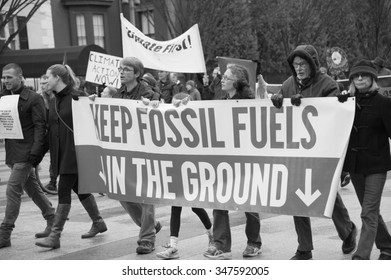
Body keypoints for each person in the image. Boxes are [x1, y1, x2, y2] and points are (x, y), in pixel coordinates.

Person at [270, 44, 357, 260]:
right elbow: (278, 105)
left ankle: (347, 231)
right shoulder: (289, 84)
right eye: (295, 64)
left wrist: (308, 105)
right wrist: (278, 100)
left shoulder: (328, 84)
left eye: (303, 64)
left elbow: (335, 114)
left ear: (312, 64)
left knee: (327, 195)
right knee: (295, 197)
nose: (298, 68)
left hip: (322, 151)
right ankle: (304, 248)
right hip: (296, 152)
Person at [35, 64, 107, 250]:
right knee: (79, 189)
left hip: (75, 153)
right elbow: (51, 131)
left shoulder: (78, 96)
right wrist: (38, 155)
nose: (45, 81)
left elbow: (94, 120)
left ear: (57, 78)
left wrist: (93, 103)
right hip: (61, 154)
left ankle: (55, 235)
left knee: (64, 190)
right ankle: (98, 222)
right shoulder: (53, 100)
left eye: (48, 77)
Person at [203, 64, 262, 260]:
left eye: (226, 78)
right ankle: (222, 245)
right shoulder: (220, 101)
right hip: (223, 159)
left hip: (247, 159)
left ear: (237, 82)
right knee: (219, 200)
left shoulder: (251, 102)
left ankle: (254, 242)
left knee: (249, 202)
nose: (222, 80)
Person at [0, 63, 55, 248]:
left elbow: (41, 127)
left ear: (20, 77)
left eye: (9, 77)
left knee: (12, 189)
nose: (5, 80)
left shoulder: (34, 98)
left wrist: (35, 153)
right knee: (32, 189)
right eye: (3, 77)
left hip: (27, 153)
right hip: (12, 153)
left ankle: (5, 232)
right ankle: (52, 219)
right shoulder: (4, 98)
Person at [343, 59, 391, 260]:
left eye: (364, 75)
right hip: (355, 167)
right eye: (356, 75)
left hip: (376, 166)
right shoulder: (345, 103)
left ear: (373, 78)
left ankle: (361, 256)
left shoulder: (384, 103)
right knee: (369, 210)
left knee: (368, 212)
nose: (360, 78)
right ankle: (387, 246)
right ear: (352, 79)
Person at [113, 57, 162, 254]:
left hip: (147, 151)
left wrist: (151, 106)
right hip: (126, 151)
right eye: (120, 69)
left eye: (126, 69)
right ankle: (149, 224)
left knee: (146, 195)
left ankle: (147, 239)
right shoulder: (118, 95)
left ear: (137, 74)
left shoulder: (150, 94)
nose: (122, 72)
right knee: (122, 193)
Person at [156, 92, 213, 260]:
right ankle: (173, 246)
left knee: (195, 205)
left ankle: (211, 234)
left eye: (179, 105)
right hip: (176, 168)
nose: (176, 108)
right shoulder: (168, 120)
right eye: (173, 105)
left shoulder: (195, 120)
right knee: (176, 206)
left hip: (191, 168)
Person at [38, 74, 58, 193]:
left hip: (55, 132)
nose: (42, 86)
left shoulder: (57, 97)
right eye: (41, 83)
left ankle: (53, 182)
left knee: (54, 158)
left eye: (45, 83)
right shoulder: (40, 97)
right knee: (37, 153)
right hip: (46, 131)